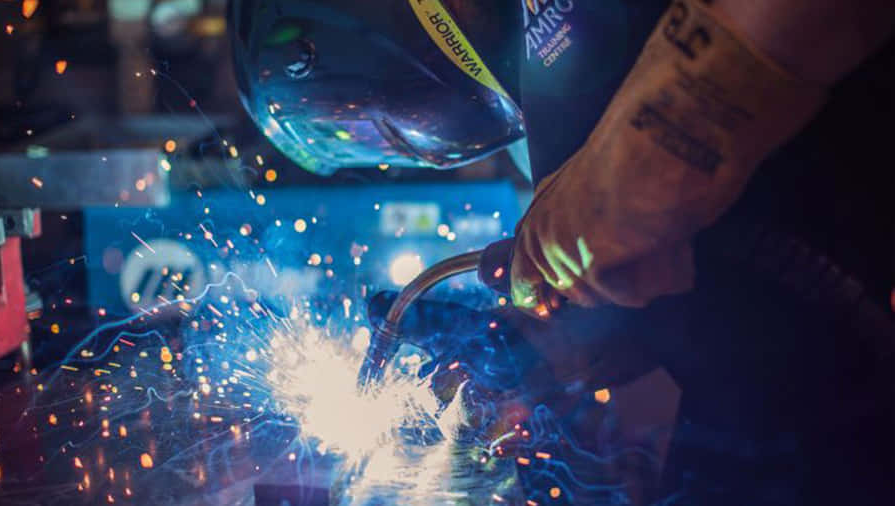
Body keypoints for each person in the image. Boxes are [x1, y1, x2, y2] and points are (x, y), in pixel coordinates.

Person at [230, 1, 894, 503]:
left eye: (362, 128)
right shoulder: (561, 59)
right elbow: (744, 260)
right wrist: (564, 341)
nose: (396, 146)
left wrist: (654, 149)